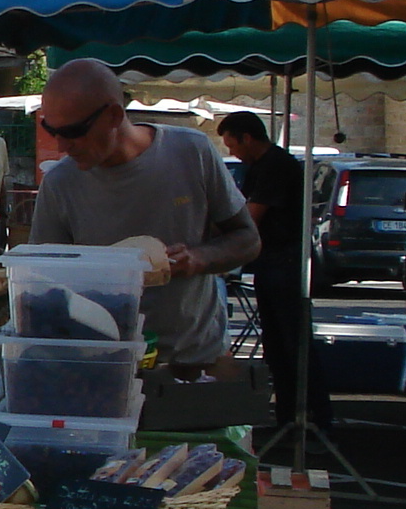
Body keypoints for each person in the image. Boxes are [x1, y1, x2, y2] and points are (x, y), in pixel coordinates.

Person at [29, 59, 258, 373]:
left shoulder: (192, 152)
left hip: (195, 359)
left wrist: (198, 258)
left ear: (114, 116)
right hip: (104, 365)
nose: (61, 145)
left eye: (73, 132)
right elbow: (43, 284)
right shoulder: (59, 184)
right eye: (52, 130)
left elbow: (248, 239)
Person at [219, 110, 334, 428]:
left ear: (247, 138)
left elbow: (251, 216)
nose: (233, 154)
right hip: (270, 261)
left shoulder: (276, 166)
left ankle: (315, 418)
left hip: (286, 262)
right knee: (276, 346)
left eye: (233, 146)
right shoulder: (259, 167)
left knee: (294, 344)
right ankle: (286, 416)